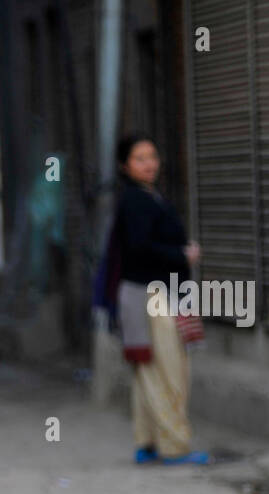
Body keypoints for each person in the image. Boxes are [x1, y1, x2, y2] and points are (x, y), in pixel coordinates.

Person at [111, 132, 209, 466]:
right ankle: (173, 446)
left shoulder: (146, 197)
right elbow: (139, 248)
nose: (149, 163)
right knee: (168, 373)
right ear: (125, 165)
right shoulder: (136, 200)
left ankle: (147, 441)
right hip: (151, 294)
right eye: (140, 158)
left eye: (152, 156)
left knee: (149, 372)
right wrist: (182, 255)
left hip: (150, 292)